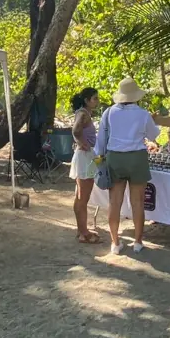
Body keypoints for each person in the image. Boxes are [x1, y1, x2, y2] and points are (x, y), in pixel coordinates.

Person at [96, 78, 159, 255]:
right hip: (137, 158)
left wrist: (100, 160)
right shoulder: (143, 113)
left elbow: (101, 140)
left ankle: (115, 243)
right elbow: (154, 134)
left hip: (115, 158)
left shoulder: (108, 112)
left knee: (114, 203)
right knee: (138, 202)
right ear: (136, 96)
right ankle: (138, 242)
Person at [69, 87, 100, 244]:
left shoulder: (83, 113)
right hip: (84, 156)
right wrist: (83, 144)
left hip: (83, 156)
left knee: (79, 196)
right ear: (87, 100)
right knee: (83, 197)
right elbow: (75, 131)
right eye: (94, 98)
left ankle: (81, 229)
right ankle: (84, 233)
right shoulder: (83, 113)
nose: (97, 101)